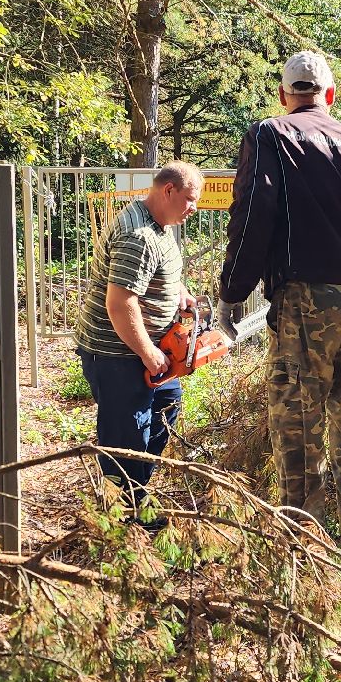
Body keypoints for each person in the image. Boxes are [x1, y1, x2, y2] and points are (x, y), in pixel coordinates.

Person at [217, 50, 341, 564]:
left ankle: (306, 564)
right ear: (330, 95)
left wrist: (232, 291)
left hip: (306, 301)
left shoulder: (270, 135)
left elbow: (252, 216)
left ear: (285, 95)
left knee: (299, 435)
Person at [74, 161, 205, 524]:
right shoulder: (139, 236)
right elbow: (120, 304)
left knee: (166, 406)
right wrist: (147, 352)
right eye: (190, 200)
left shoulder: (159, 224)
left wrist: (178, 292)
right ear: (168, 191)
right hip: (118, 354)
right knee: (127, 434)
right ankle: (122, 516)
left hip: (148, 352)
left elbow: (155, 272)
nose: (193, 208)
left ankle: (136, 495)